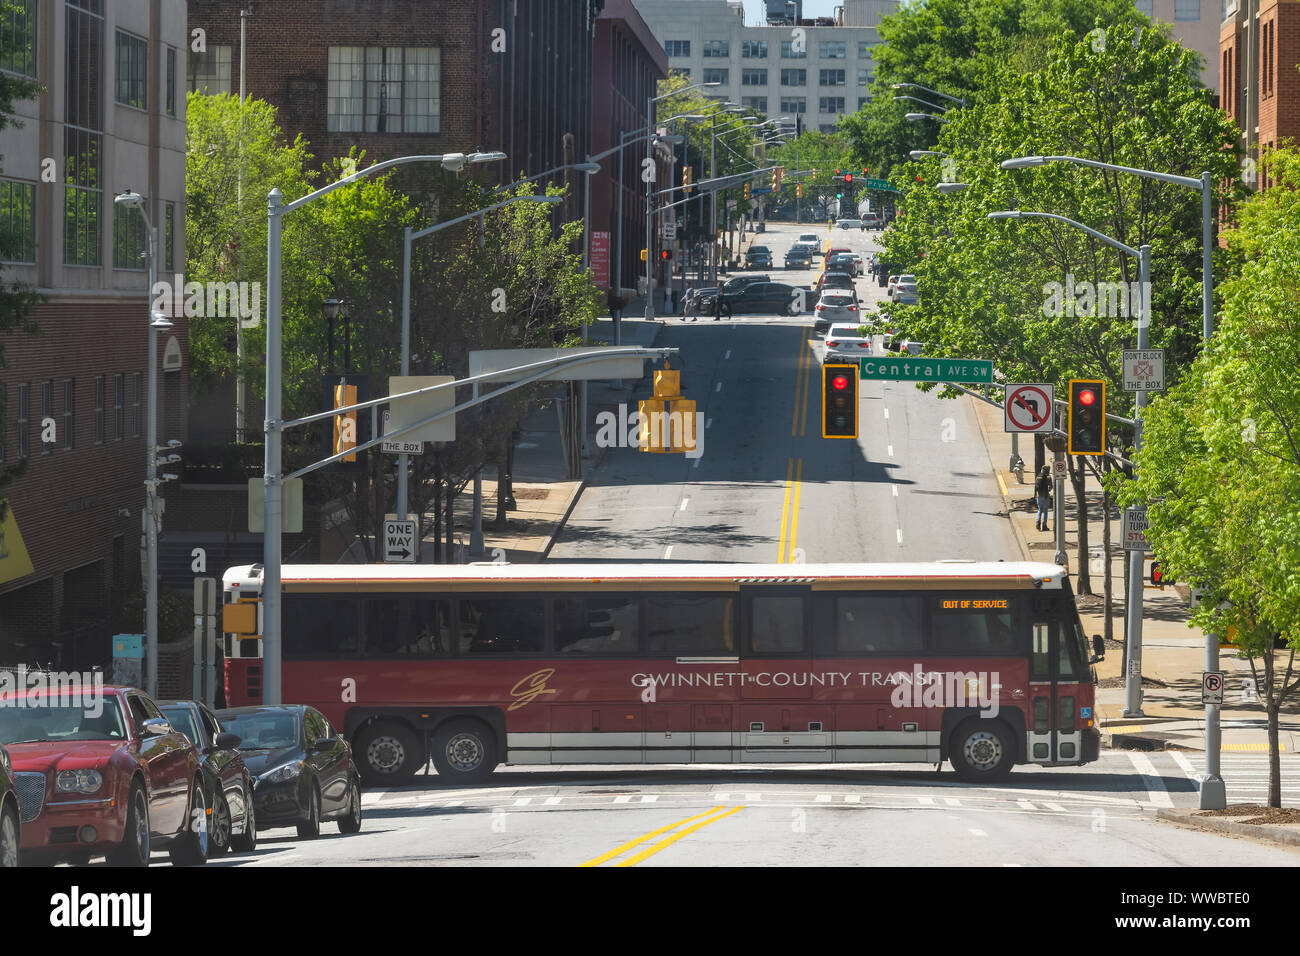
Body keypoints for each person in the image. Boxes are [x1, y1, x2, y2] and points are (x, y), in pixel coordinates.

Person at [1034, 466, 1053, 532]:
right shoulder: (1048, 477)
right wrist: (1048, 491)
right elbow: (1050, 487)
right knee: (1045, 511)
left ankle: (1038, 523)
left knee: (1039, 510)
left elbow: (1036, 486)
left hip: (1039, 495)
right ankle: (1044, 525)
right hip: (1045, 496)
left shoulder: (1038, 476)